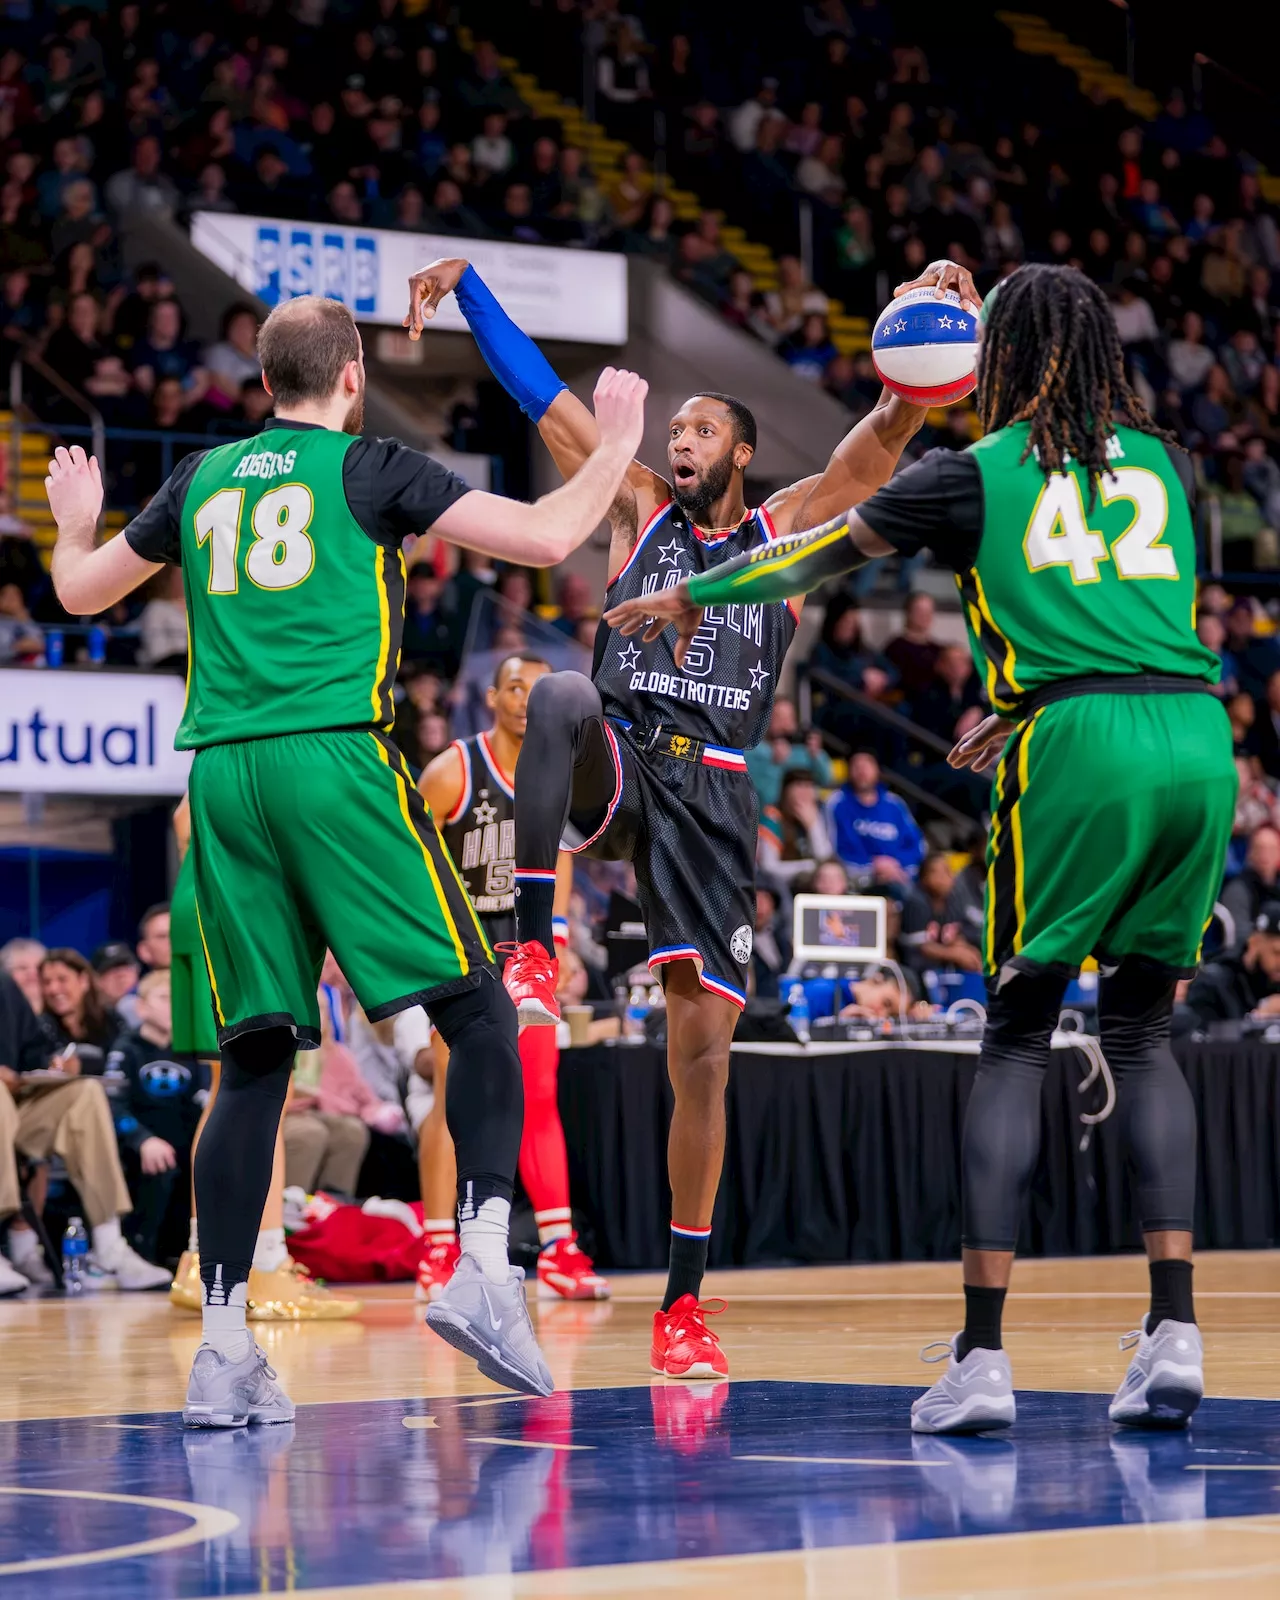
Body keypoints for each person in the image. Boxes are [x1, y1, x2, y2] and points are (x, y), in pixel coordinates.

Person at [608, 262, 1234, 1434]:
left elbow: (815, 555)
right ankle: (1173, 1330)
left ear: (1000, 361)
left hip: (1078, 746)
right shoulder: (1165, 463)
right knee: (1144, 1028)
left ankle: (982, 1354)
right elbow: (1138, 616)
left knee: (1012, 1035)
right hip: (1197, 741)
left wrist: (695, 596)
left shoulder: (972, 471)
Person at [44, 293, 648, 1422]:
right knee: (480, 1012)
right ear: (354, 374)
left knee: (255, 1061)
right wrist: (612, 444)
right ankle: (478, 1263)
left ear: (264, 379)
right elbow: (548, 538)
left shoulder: (201, 479)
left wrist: (77, 517)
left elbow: (76, 591)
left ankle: (223, 1353)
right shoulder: (370, 468)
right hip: (332, 759)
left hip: (221, 778)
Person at [405, 252, 976, 1379]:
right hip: (619, 759)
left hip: (716, 795)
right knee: (561, 689)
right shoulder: (637, 503)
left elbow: (876, 445)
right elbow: (540, 395)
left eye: (703, 430)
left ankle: (679, 1305)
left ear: (745, 452)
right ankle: (532, 950)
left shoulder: (786, 529)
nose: (680, 441)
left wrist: (927, 349)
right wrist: (471, 290)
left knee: (700, 1060)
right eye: (676, 429)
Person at [417, 652, 608, 1303]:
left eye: (537, 688)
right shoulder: (452, 770)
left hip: (523, 952)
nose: (528, 699)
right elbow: (404, 851)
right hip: (461, 954)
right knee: (455, 1099)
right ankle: (438, 1246)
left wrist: (555, 951)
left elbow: (560, 869)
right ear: (492, 697)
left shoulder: (552, 769)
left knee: (541, 1093)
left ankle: (559, 1247)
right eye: (516, 688)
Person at [0, 967, 170, 1290]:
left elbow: (30, 1051)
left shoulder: (3, 984)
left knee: (85, 1094)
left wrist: (57, 1064)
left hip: (15, 1110)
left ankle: (109, 1246)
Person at [104, 969, 203, 1264]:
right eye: (164, 998)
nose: (173, 1006)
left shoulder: (192, 1050)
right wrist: (141, 1139)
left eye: (179, 1000)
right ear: (141, 1006)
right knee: (160, 1161)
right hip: (139, 1146)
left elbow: (202, 1101)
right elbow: (111, 1104)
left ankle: (190, 1254)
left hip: (183, 1143)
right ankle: (142, 1252)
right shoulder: (126, 1049)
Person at [825, 750, 925, 896]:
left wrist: (895, 865)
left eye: (867, 765)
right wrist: (872, 868)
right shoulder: (836, 803)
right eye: (856, 766)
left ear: (877, 769)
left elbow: (918, 846)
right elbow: (833, 850)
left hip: (899, 877)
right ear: (848, 771)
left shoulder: (895, 804)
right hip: (856, 883)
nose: (862, 771)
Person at [1175, 900, 1280, 1030]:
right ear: (1254, 943)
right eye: (1277, 952)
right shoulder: (1214, 983)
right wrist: (1258, 1020)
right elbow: (1200, 1041)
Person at [93, 942, 141, 1029]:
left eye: (126, 968)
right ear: (96, 981)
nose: (121, 975)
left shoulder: (154, 1008)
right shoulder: (90, 1019)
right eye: (111, 970)